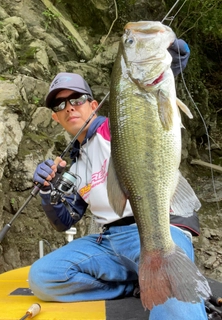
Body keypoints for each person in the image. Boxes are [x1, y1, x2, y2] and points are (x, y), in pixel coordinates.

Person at [29, 39, 208, 320]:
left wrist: (168, 65)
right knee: (44, 276)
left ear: (93, 105)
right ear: (56, 118)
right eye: (61, 104)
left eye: (76, 99)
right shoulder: (74, 165)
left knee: (178, 308)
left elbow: (147, 109)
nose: (69, 107)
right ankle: (135, 283)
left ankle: (156, 279)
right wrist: (47, 192)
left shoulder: (118, 127)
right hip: (107, 241)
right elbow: (65, 220)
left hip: (157, 227)